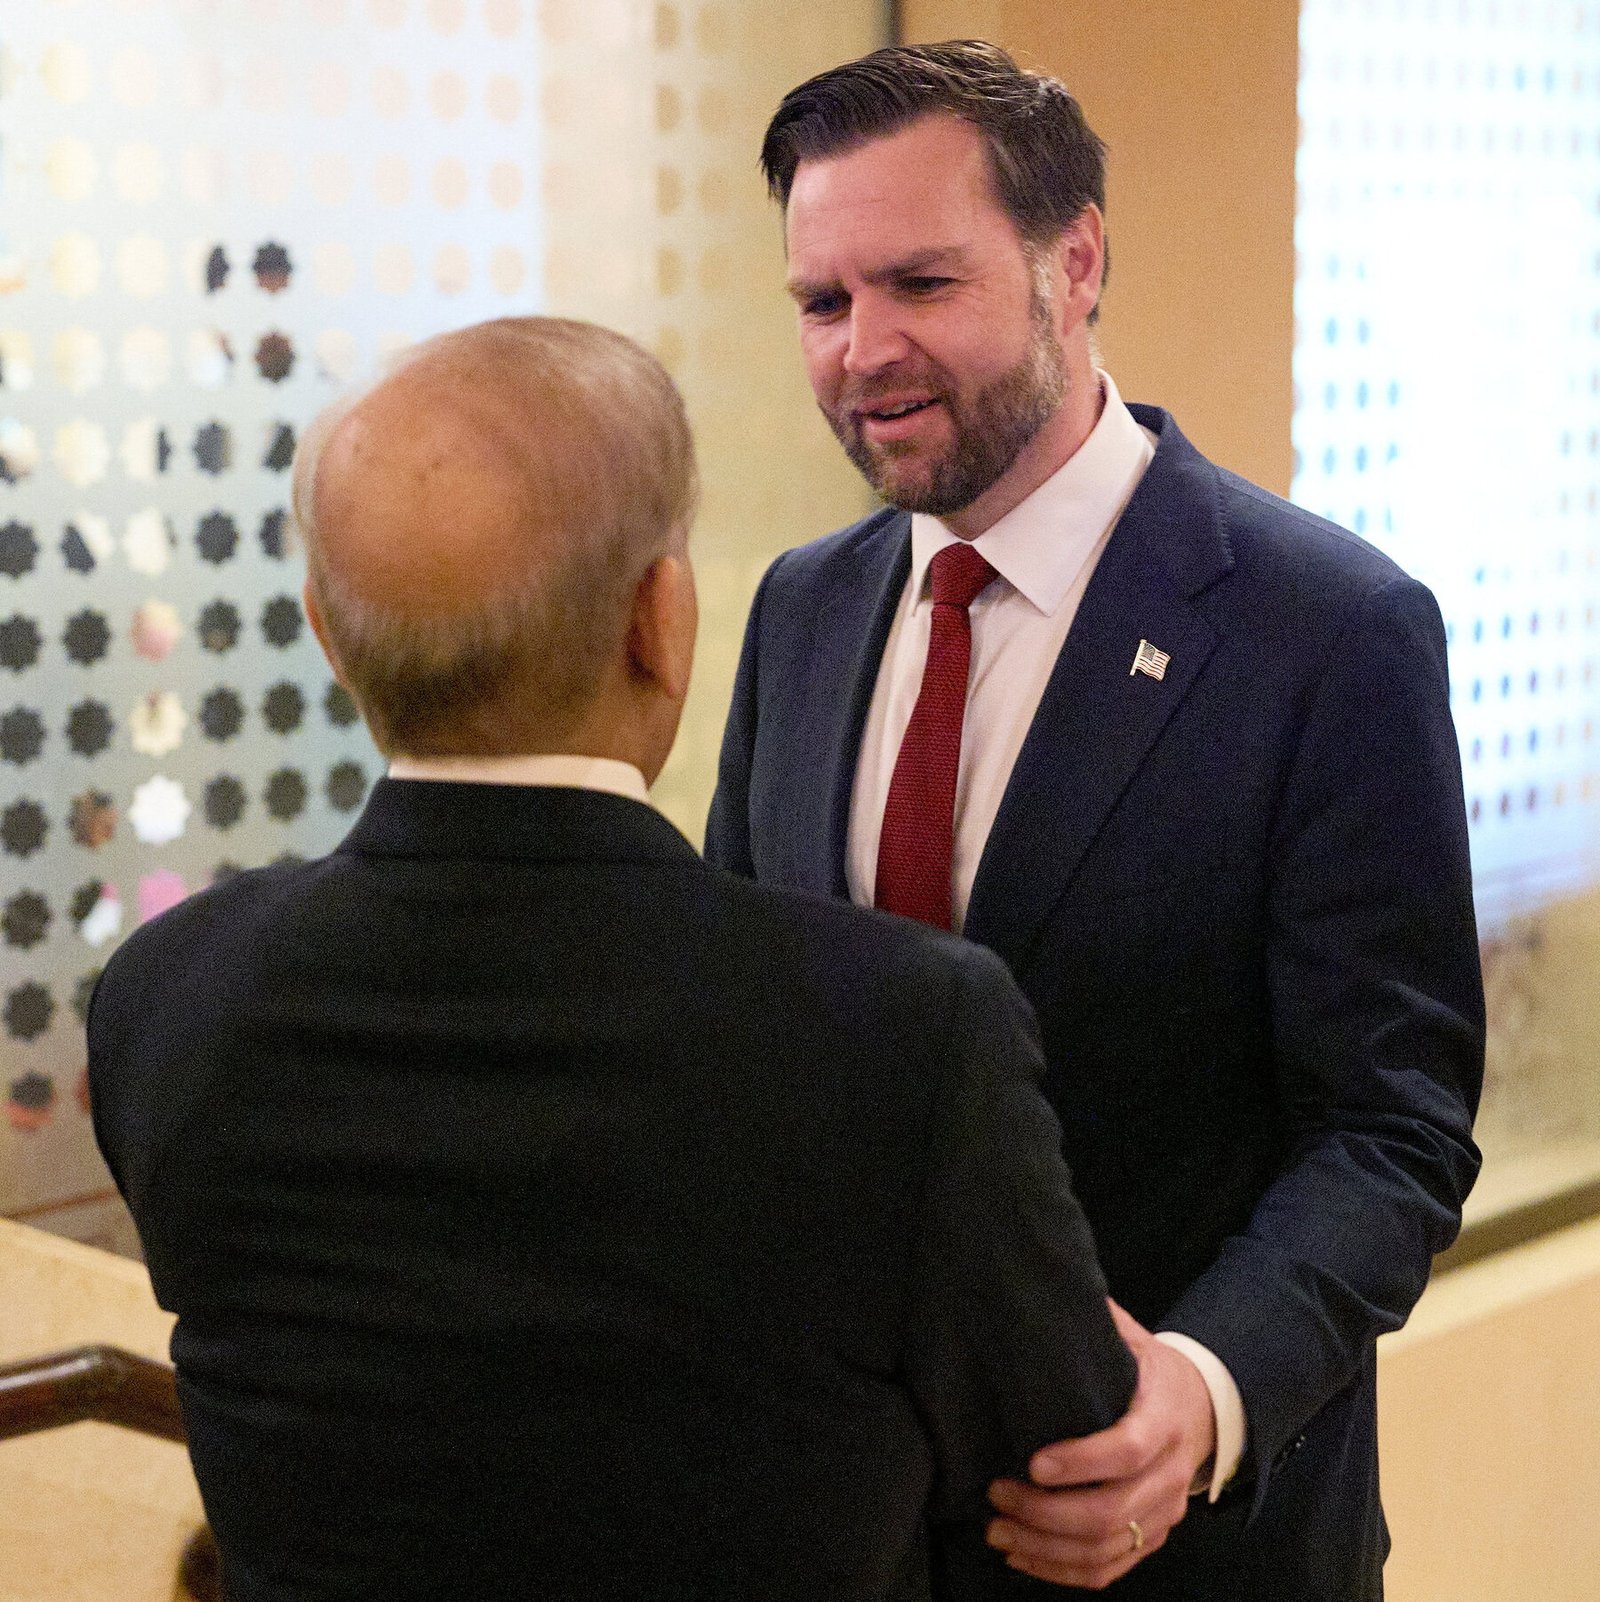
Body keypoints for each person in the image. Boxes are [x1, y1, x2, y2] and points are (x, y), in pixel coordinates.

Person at [87, 316, 1136, 1602]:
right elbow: (1059, 1448)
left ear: (328, 634)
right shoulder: (904, 1032)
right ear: (661, 617)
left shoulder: (164, 998)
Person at [705, 42, 1484, 1601]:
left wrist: (1202, 1388)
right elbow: (749, 1036)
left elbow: (1390, 1129)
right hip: (848, 1539)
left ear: (1077, 264)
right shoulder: (801, 610)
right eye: (822, 300)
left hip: (1181, 1548)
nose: (863, 348)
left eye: (922, 283)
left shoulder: (1325, 631)